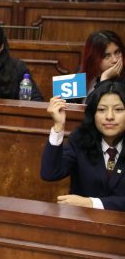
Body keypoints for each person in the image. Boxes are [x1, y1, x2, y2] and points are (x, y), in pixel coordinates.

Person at [41, 80, 125, 212]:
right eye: (102, 110)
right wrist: (58, 126)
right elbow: (50, 173)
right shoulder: (80, 139)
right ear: (93, 114)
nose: (109, 116)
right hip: (83, 224)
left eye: (118, 110)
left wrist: (91, 202)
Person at [81, 30, 124, 96]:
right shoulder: (82, 73)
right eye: (106, 56)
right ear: (93, 58)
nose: (115, 60)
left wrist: (104, 78)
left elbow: (95, 105)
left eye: (117, 52)